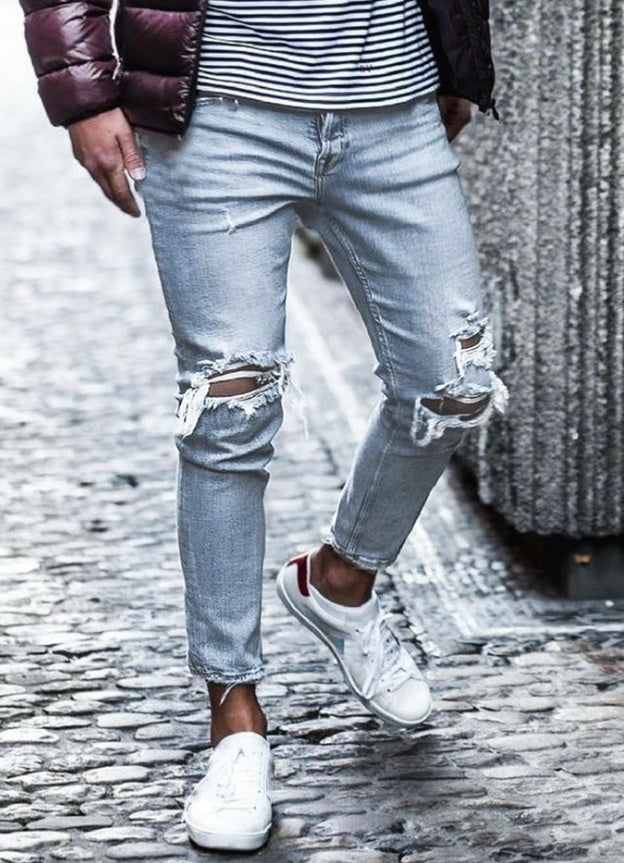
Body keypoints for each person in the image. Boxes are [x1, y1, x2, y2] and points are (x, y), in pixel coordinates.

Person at [21, 0, 507, 852]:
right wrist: (84, 94)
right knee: (228, 411)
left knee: (453, 383)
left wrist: (458, 52)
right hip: (216, 114)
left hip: (396, 102)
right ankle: (235, 719)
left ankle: (339, 581)